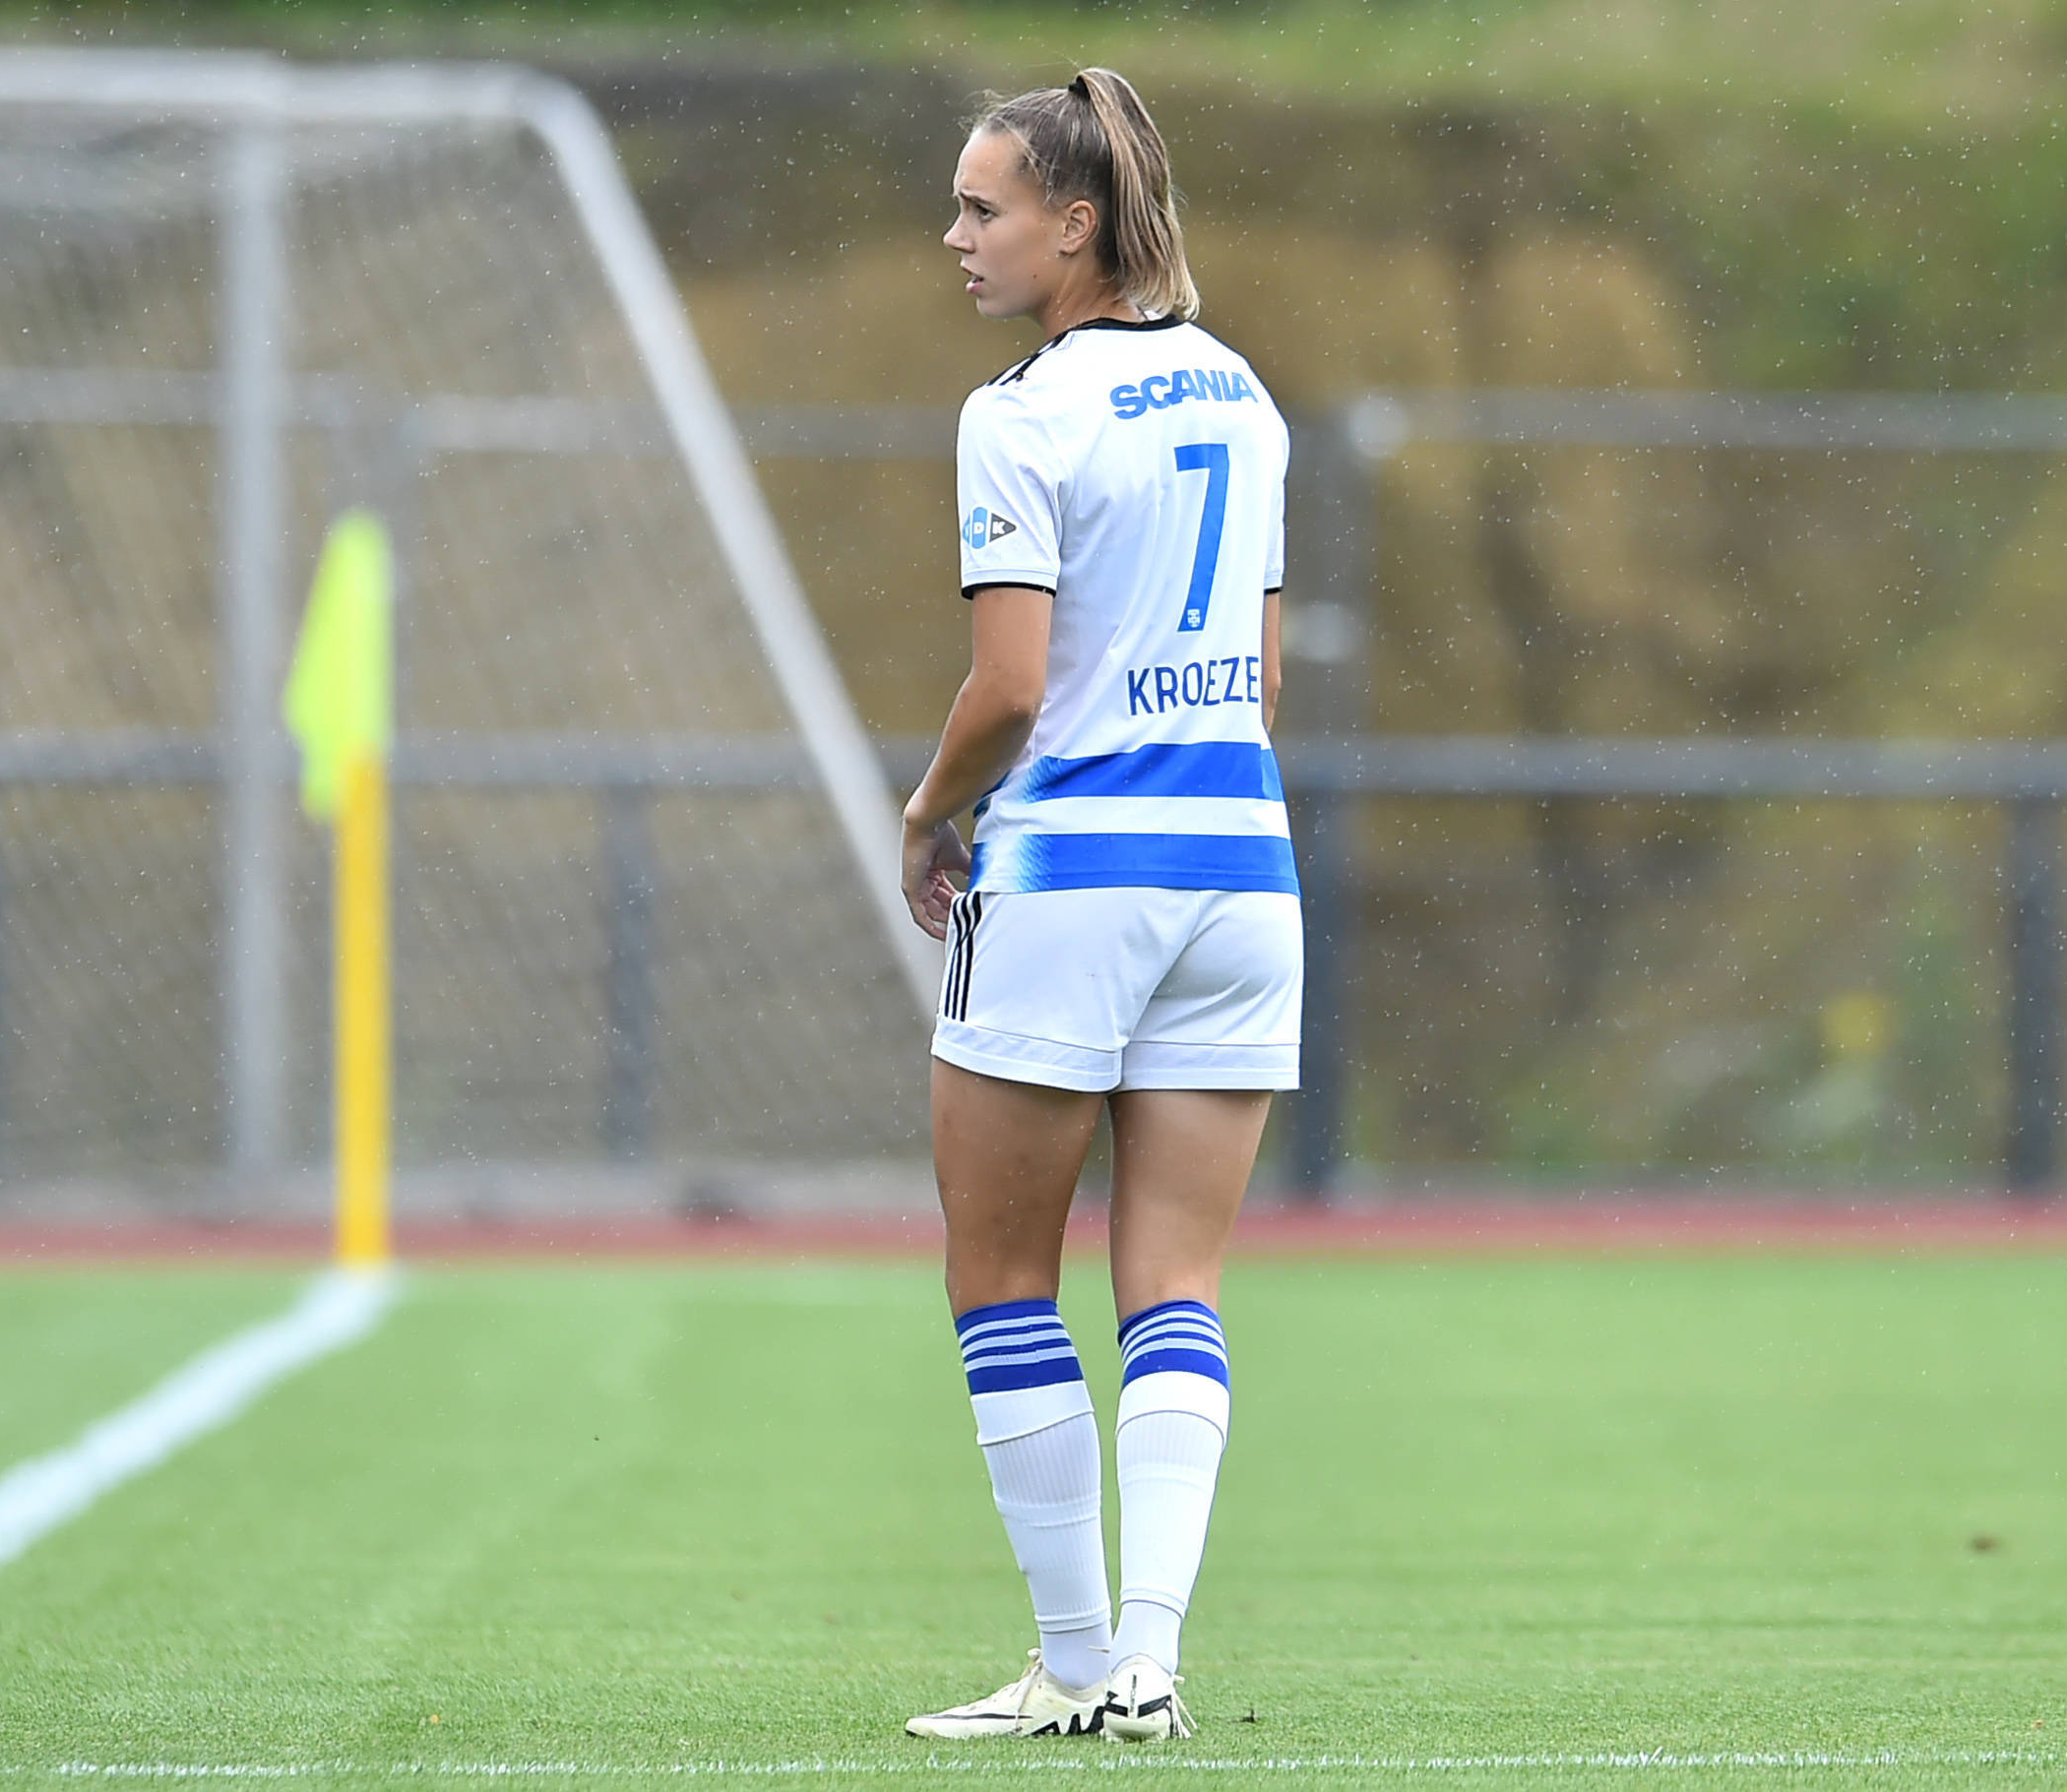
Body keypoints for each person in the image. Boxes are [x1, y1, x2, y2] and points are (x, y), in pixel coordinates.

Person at [897, 67, 1300, 1746]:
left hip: (1074, 872)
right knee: (1177, 1282)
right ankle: (1151, 1656)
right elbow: (1260, 679)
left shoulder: (1022, 411)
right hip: (1241, 872)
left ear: (1078, 224)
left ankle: (1071, 1659)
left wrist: (930, 812)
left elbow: (1009, 686)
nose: (957, 236)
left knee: (1001, 1273)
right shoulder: (1244, 393)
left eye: (985, 208)